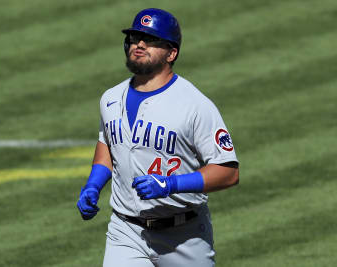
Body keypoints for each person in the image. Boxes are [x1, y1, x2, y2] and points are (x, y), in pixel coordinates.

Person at [77, 8, 239, 267]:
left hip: (184, 236)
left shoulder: (195, 105)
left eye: (151, 40)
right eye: (135, 37)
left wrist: (171, 185)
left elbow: (228, 172)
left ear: (171, 53)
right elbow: (108, 144)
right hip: (126, 231)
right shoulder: (110, 98)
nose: (139, 44)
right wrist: (94, 185)